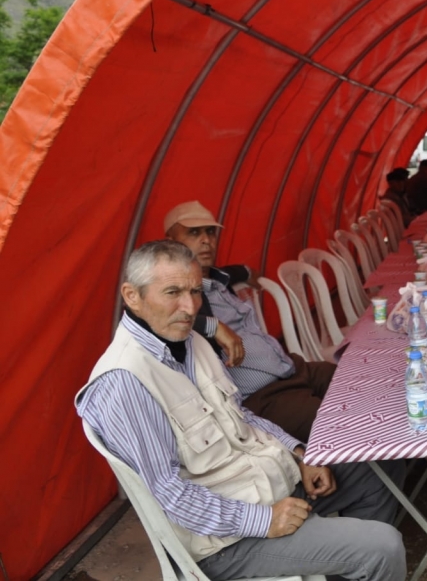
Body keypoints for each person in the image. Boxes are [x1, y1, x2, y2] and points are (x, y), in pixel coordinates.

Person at [76, 241, 405, 580]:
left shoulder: (190, 342)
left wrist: (298, 453)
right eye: (172, 292)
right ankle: (357, 556)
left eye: (195, 291)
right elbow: (169, 493)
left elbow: (241, 416)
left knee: (378, 464)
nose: (189, 307)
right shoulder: (124, 381)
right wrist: (265, 520)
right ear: (132, 296)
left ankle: (344, 562)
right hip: (226, 540)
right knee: (383, 546)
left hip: (270, 486)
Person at [164, 201, 336, 442]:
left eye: (210, 232)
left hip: (292, 369)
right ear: (171, 243)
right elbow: (156, 321)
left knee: (356, 382)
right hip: (263, 397)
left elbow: (236, 271)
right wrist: (214, 326)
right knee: (338, 424)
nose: (206, 240)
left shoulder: (218, 279)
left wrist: (245, 271)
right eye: (194, 233)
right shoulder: (174, 293)